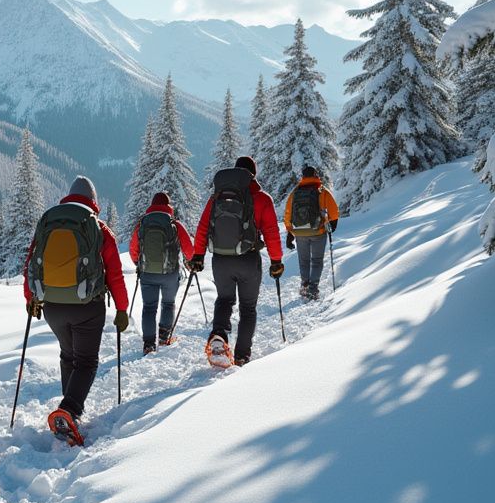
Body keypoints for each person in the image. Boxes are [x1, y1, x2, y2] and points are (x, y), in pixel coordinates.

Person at [24, 176, 129, 445]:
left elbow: (31, 263)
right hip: (87, 307)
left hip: (52, 307)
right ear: (93, 201)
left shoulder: (49, 223)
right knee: (86, 361)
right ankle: (69, 410)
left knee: (68, 355)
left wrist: (30, 298)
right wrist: (122, 308)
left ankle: (67, 408)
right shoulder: (99, 228)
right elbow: (115, 274)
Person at [188, 156, 284, 367]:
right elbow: (271, 232)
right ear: (253, 175)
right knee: (248, 307)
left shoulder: (217, 197)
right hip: (248, 259)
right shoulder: (261, 198)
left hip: (221, 260)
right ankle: (242, 356)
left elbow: (203, 227)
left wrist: (198, 256)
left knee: (224, 300)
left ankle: (219, 337)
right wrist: (276, 261)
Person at [128, 191, 195, 354]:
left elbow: (133, 249)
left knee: (149, 307)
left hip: (147, 273)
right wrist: (190, 262)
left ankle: (149, 344)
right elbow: (189, 250)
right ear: (168, 206)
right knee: (168, 304)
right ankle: (165, 338)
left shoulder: (142, 223)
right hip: (170, 273)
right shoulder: (174, 224)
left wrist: (138, 263)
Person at [283, 165, 340, 301]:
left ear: (303, 177)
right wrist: (332, 225)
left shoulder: (295, 192)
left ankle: (304, 285)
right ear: (316, 175)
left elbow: (288, 213)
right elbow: (334, 212)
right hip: (318, 231)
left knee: (304, 260)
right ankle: (313, 288)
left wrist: (290, 232)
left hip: (300, 232)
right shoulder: (322, 191)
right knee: (316, 260)